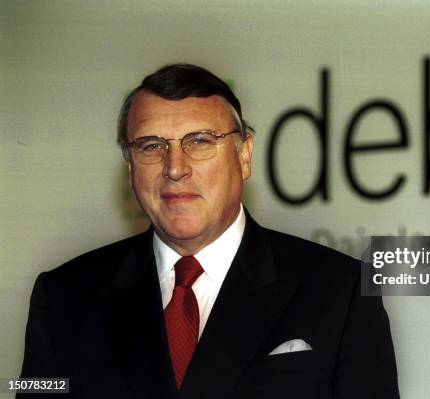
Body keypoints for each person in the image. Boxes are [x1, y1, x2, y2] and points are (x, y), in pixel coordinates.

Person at [19, 64, 400, 398]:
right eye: (151, 146)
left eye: (199, 141)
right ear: (130, 165)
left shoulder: (339, 290)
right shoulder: (65, 297)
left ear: (244, 154)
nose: (174, 168)